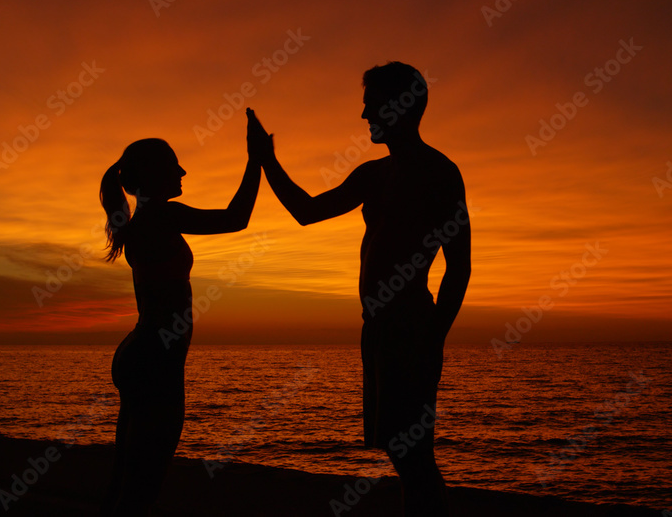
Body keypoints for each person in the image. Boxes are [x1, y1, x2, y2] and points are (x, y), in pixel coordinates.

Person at [248, 62, 471, 516]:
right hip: (379, 330)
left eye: (372, 104)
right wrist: (266, 160)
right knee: (400, 451)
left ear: (399, 106)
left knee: (413, 455)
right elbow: (307, 211)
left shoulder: (440, 172)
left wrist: (432, 338)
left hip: (411, 327)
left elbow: (459, 267)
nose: (363, 114)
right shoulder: (373, 175)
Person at [99, 118, 261, 515]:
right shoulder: (162, 215)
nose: (183, 171)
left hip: (143, 354)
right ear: (154, 174)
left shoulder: (143, 221)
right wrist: (256, 161)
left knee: (128, 476)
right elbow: (236, 218)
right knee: (143, 483)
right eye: (175, 164)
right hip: (155, 360)